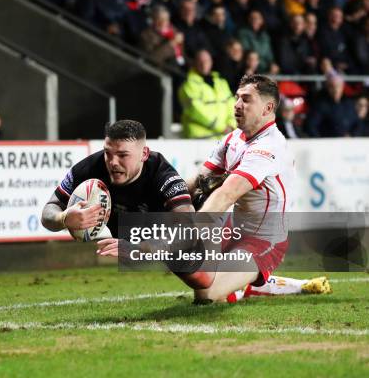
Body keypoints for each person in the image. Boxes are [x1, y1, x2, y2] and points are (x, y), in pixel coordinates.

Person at [97, 75, 331, 303]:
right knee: (195, 265)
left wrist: (176, 237)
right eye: (237, 98)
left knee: (207, 293)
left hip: (263, 241)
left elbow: (226, 194)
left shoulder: (268, 148)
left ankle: (283, 285)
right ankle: (243, 281)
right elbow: (197, 182)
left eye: (247, 100)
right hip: (230, 231)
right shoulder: (233, 139)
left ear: (267, 108)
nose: (237, 105)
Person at [41, 119, 193, 241]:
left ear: (144, 154)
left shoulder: (161, 173)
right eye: (108, 153)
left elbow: (187, 223)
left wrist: (143, 250)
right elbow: (48, 211)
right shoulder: (88, 169)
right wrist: (63, 218)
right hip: (127, 242)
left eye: (122, 155)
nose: (113, 162)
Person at [178, 49, 236, 139]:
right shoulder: (188, 84)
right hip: (199, 140)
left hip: (223, 138)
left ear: (211, 62)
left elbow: (232, 105)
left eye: (206, 61)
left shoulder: (221, 82)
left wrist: (232, 124)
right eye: (200, 61)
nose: (203, 64)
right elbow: (195, 110)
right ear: (195, 63)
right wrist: (222, 127)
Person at [305, 73, 360, 137]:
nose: (336, 90)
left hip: (348, 143)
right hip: (328, 143)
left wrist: (351, 135)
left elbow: (357, 123)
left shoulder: (349, 104)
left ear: (342, 87)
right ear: (328, 87)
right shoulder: (320, 105)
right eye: (332, 87)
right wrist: (320, 141)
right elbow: (310, 126)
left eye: (338, 86)